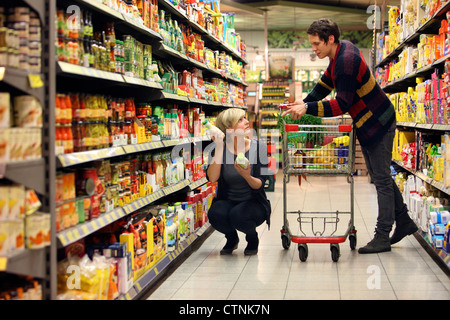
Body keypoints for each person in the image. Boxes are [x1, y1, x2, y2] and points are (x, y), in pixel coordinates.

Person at [281, 18, 418, 254]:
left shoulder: (345, 61)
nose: (314, 49)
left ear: (330, 39)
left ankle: (382, 235)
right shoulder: (338, 54)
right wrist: (302, 102)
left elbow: (342, 104)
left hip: (378, 121)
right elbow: (324, 86)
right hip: (367, 121)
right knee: (380, 174)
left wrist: (309, 108)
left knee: (382, 180)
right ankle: (404, 221)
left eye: (316, 44)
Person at [205, 108, 271, 255]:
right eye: (240, 120)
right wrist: (220, 146)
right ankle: (232, 238)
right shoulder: (218, 149)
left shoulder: (258, 147)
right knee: (215, 214)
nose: (247, 122)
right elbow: (212, 178)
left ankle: (252, 238)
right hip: (228, 200)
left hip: (253, 203)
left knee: (239, 215)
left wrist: (247, 175)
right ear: (228, 128)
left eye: (245, 118)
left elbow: (260, 184)